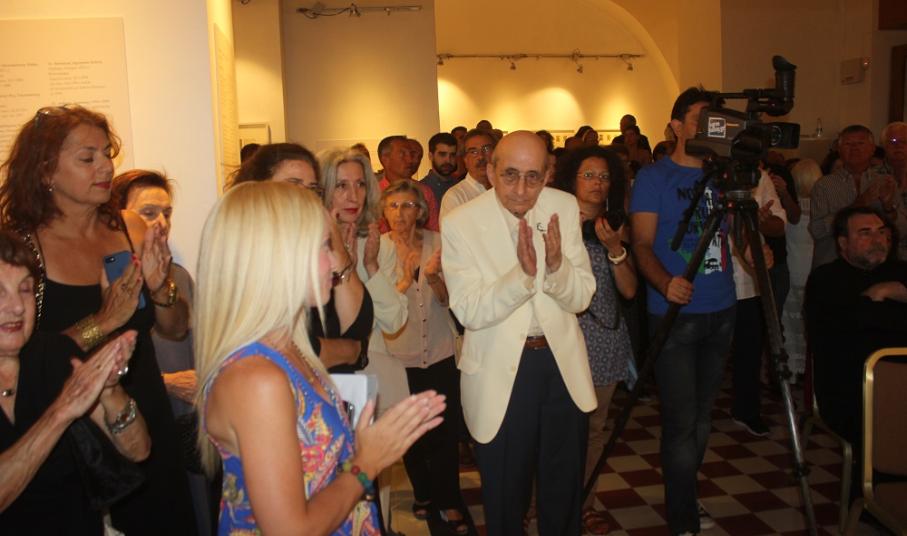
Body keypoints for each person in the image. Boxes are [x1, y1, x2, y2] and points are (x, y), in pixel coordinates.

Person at [196, 181, 446, 534]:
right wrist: (366, 463)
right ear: (275, 259)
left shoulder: (288, 350)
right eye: (323, 246)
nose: (334, 261)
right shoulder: (257, 378)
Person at [0, 104, 196, 533]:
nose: (105, 167)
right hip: (77, 429)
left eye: (107, 154)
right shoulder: (21, 246)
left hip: (145, 409)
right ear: (46, 171)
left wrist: (161, 287)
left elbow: (176, 327)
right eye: (87, 158)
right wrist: (104, 319)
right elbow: (32, 358)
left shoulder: (130, 228)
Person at [442, 131, 596, 535]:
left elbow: (581, 298)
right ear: (491, 171)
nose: (522, 189)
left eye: (533, 177)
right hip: (499, 372)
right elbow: (469, 310)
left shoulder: (562, 206)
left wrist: (558, 268)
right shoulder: (460, 222)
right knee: (506, 499)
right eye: (510, 175)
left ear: (548, 174)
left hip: (561, 366)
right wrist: (522, 277)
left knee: (563, 495)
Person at [629, 87, 767, 535]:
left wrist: (757, 254)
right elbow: (642, 244)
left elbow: (736, 237)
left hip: (721, 308)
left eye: (716, 120)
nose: (711, 128)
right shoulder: (654, 178)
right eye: (700, 119)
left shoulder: (722, 175)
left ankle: (686, 493)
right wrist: (665, 282)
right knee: (681, 419)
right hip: (674, 315)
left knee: (704, 416)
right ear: (676, 126)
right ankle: (682, 515)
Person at [0, 230, 149, 533]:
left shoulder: (53, 353)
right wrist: (60, 413)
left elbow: (139, 450)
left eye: (25, 289)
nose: (17, 307)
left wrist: (110, 391)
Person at [110, 169, 216, 535]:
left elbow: (194, 341)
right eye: (149, 212)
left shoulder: (180, 276)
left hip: (184, 422)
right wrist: (167, 382)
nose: (161, 222)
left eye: (167, 212)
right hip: (137, 420)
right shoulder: (112, 279)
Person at [554, 146, 637, 535]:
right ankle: (540, 504)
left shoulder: (615, 225)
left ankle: (585, 503)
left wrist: (615, 249)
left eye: (604, 176)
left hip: (603, 339)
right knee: (553, 430)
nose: (597, 183)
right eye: (588, 175)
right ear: (571, 178)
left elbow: (630, 290)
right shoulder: (553, 221)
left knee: (594, 430)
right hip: (560, 339)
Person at [232, 143, 372, 372]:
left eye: (312, 189)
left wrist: (335, 240)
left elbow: (358, 327)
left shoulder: (313, 245)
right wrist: (348, 351)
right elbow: (285, 350)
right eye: (293, 185)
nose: (305, 197)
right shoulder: (252, 250)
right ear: (260, 189)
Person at [379, 181, 466, 534]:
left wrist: (432, 278)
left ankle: (449, 498)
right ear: (384, 212)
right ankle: (424, 493)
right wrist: (403, 282)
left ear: (421, 211)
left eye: (408, 205)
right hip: (399, 356)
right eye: (393, 206)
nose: (400, 213)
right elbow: (381, 308)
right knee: (411, 433)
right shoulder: (378, 250)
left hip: (441, 352)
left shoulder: (439, 243)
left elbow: (451, 302)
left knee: (445, 431)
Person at [804, 206, 907, 499]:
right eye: (865, 233)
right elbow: (857, 326)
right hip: (853, 390)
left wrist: (892, 291)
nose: (877, 240)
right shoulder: (826, 280)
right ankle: (875, 502)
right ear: (843, 243)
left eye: (882, 232)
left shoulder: (900, 272)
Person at [809, 125, 897, 268]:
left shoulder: (885, 181)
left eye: (860, 143)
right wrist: (860, 202)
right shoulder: (824, 185)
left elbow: (898, 229)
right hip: (833, 265)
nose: (854, 148)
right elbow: (817, 230)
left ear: (872, 149)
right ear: (839, 149)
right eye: (848, 144)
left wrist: (888, 207)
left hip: (877, 264)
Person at [782, 159, 823, 381]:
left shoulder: (790, 208)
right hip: (814, 272)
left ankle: (792, 370)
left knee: (791, 326)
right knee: (811, 324)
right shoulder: (821, 207)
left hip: (793, 271)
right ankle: (811, 372)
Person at [376, 136, 439, 232]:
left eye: (410, 154)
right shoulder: (372, 194)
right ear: (385, 159)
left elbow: (434, 232)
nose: (410, 160)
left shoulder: (425, 192)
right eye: (403, 154)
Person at [439, 129, 496, 221]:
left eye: (486, 149)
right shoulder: (455, 197)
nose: (481, 156)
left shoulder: (507, 191)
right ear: (465, 159)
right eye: (473, 152)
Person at [880, 121, 907, 259]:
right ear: (883, 145)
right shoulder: (872, 177)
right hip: (885, 254)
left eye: (905, 142)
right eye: (893, 141)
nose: (899, 146)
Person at [422, 132, 460, 211]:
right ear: (431, 156)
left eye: (452, 155)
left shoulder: (460, 185)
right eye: (442, 154)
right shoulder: (421, 190)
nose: (448, 160)